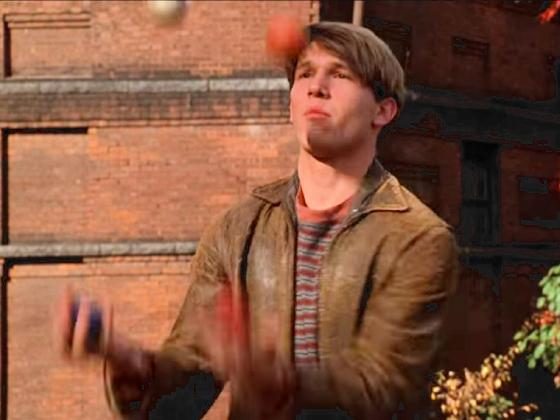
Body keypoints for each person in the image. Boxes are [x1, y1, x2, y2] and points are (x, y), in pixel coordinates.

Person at [54, 21, 459, 420]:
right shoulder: (237, 229)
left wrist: (271, 378)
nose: (316, 87)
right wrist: (131, 365)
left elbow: (381, 388)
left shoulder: (419, 239)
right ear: (291, 106)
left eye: (340, 75)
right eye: (305, 74)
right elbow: (180, 399)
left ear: (383, 110)